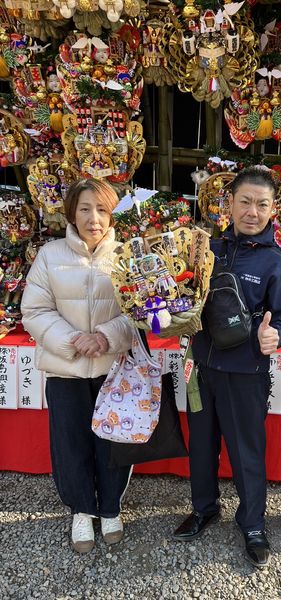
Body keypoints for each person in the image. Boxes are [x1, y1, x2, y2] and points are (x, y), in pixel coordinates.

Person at [172, 167, 281, 568]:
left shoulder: (278, 264)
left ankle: (253, 523)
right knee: (202, 444)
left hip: (246, 371)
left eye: (262, 204)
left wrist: (275, 335)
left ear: (273, 209)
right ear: (229, 203)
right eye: (244, 201)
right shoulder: (208, 249)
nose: (252, 211)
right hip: (201, 365)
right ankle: (205, 507)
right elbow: (184, 293)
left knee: (247, 451)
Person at [21, 178, 133, 554]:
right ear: (72, 212)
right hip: (66, 371)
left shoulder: (127, 255)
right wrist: (75, 341)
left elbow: (139, 313)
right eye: (85, 208)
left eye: (102, 209)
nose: (94, 218)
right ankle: (82, 510)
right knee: (71, 444)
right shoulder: (50, 255)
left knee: (112, 443)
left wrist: (105, 336)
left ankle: (111, 507)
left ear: (112, 213)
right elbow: (34, 310)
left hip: (112, 369)